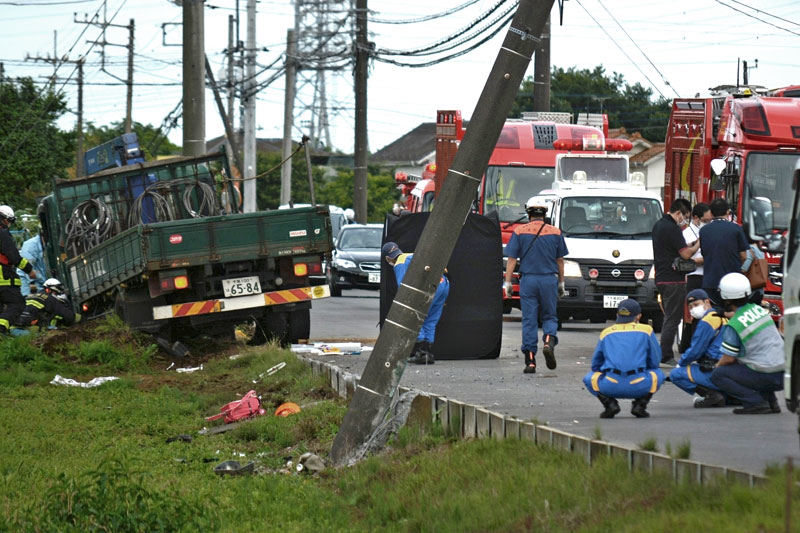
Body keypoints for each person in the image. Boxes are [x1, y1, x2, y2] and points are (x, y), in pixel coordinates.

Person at [503, 196, 568, 374]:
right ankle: (548, 340)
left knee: (529, 320)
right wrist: (562, 282)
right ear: (544, 213)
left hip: (528, 280)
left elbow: (511, 259)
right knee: (549, 316)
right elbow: (560, 260)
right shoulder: (555, 232)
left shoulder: (519, 231)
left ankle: (530, 362)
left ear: (528, 212)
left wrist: (507, 282)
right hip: (549, 280)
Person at [710, 273, 784, 414]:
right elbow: (744, 315)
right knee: (757, 360)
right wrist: (726, 314)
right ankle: (771, 402)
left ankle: (755, 402)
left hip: (766, 375)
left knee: (718, 374)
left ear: (725, 299)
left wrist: (715, 366)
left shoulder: (734, 325)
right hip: (782, 372)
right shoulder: (758, 310)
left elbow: (728, 359)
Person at [582, 299, 665, 418]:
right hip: (639, 384)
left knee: (589, 378)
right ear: (639, 316)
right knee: (658, 374)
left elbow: (596, 363)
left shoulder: (606, 333)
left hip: (610, 385)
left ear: (617, 315)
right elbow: (655, 360)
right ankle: (640, 405)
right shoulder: (646, 330)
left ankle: (609, 404)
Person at [382, 241, 450, 365]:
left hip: (431, 287)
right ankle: (428, 354)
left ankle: (421, 353)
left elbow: (403, 286)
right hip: (443, 283)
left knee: (415, 318)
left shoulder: (400, 263)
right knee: (430, 320)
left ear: (387, 258)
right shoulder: (411, 255)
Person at [651, 198, 699, 367]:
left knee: (669, 316)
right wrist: (699, 244)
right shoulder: (672, 228)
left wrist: (690, 245)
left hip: (662, 276)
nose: (684, 220)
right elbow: (686, 254)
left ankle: (664, 352)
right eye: (684, 217)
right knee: (673, 318)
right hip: (673, 279)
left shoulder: (659, 225)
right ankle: (666, 354)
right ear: (678, 213)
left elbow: (675, 248)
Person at [669, 289, 729, 408]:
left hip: (714, 369)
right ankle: (727, 395)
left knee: (676, 375)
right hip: (730, 368)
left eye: (696, 305)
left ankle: (712, 395)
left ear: (707, 302)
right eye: (690, 307)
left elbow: (696, 350)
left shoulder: (707, 321)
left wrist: (681, 363)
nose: (693, 309)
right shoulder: (722, 318)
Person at [699, 198, 749, 305]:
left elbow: (705, 254)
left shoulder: (703, 231)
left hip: (710, 281)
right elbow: (744, 256)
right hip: (732, 281)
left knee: (714, 313)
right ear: (728, 212)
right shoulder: (736, 229)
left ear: (711, 213)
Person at [0, 205, 36, 335]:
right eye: (8, 221)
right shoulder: (2, 233)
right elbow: (14, 257)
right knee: (17, 303)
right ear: (4, 219)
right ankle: (1, 329)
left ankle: (4, 337)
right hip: (3, 278)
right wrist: (30, 270)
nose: (8, 224)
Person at [13, 278, 80, 334]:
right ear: (48, 290)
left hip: (13, 327)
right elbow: (68, 315)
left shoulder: (29, 296)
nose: (56, 296)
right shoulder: (49, 299)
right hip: (29, 329)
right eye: (55, 293)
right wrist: (81, 319)